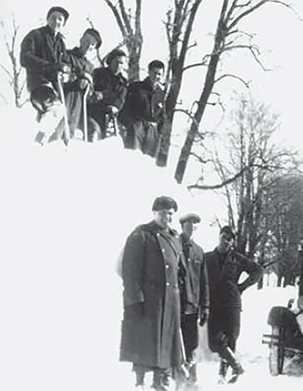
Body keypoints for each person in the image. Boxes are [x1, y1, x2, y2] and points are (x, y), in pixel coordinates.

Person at [120, 196, 186, 391]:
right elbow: (129, 270)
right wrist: (136, 298)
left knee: (166, 341)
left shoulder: (175, 238)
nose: (167, 218)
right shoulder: (141, 235)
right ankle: (139, 383)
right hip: (150, 300)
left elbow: (179, 270)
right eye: (163, 213)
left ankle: (160, 381)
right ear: (154, 213)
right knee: (145, 340)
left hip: (170, 300)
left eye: (171, 214)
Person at [204, 226, 263, 384]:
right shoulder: (207, 258)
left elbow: (258, 271)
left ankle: (222, 375)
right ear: (219, 237)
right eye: (224, 237)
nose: (227, 240)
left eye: (230, 238)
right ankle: (236, 367)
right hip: (214, 303)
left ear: (232, 241)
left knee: (231, 339)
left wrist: (242, 287)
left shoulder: (237, 258)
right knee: (213, 341)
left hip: (231, 303)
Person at [20, 6, 71, 143]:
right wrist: (49, 67)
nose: (56, 21)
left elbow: (65, 63)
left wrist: (66, 71)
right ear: (47, 19)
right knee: (56, 109)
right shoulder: (36, 35)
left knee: (57, 114)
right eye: (53, 17)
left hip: (54, 87)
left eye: (60, 19)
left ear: (63, 23)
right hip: (39, 83)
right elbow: (25, 57)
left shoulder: (60, 42)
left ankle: (48, 146)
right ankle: (38, 140)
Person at [177, 213, 209, 390]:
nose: (192, 228)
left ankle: (192, 381)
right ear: (182, 226)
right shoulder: (174, 246)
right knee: (176, 344)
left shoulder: (199, 251)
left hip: (192, 306)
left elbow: (204, 281)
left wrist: (205, 306)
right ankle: (177, 380)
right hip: (175, 304)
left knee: (192, 344)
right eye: (189, 225)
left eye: (195, 225)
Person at [119, 59, 166, 156]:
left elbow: (162, 114)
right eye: (154, 73)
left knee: (148, 162)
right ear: (149, 72)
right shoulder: (136, 87)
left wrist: (160, 130)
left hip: (152, 130)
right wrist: (129, 124)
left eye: (159, 74)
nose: (156, 76)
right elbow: (125, 106)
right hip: (137, 125)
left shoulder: (160, 94)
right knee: (132, 155)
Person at [64, 28, 102, 139]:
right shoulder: (67, 55)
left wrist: (94, 94)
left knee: (91, 130)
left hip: (80, 104)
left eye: (92, 44)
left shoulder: (90, 66)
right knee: (60, 128)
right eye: (86, 41)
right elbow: (63, 76)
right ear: (81, 40)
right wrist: (78, 78)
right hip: (66, 96)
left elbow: (89, 91)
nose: (88, 46)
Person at [88, 48, 128, 140]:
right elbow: (92, 92)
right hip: (94, 111)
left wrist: (104, 96)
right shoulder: (98, 73)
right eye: (116, 62)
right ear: (110, 61)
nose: (118, 65)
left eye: (121, 63)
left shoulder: (123, 82)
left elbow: (121, 99)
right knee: (95, 133)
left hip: (112, 114)